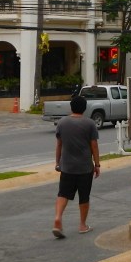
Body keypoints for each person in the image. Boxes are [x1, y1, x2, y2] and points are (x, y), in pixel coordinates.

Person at [53, 94, 100, 238]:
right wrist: (97, 164)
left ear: (71, 107)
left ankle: (58, 217)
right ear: (85, 108)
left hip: (67, 166)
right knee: (84, 196)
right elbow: (94, 146)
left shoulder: (62, 123)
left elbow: (59, 144)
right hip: (85, 167)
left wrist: (57, 162)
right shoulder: (90, 124)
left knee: (63, 194)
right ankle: (82, 225)